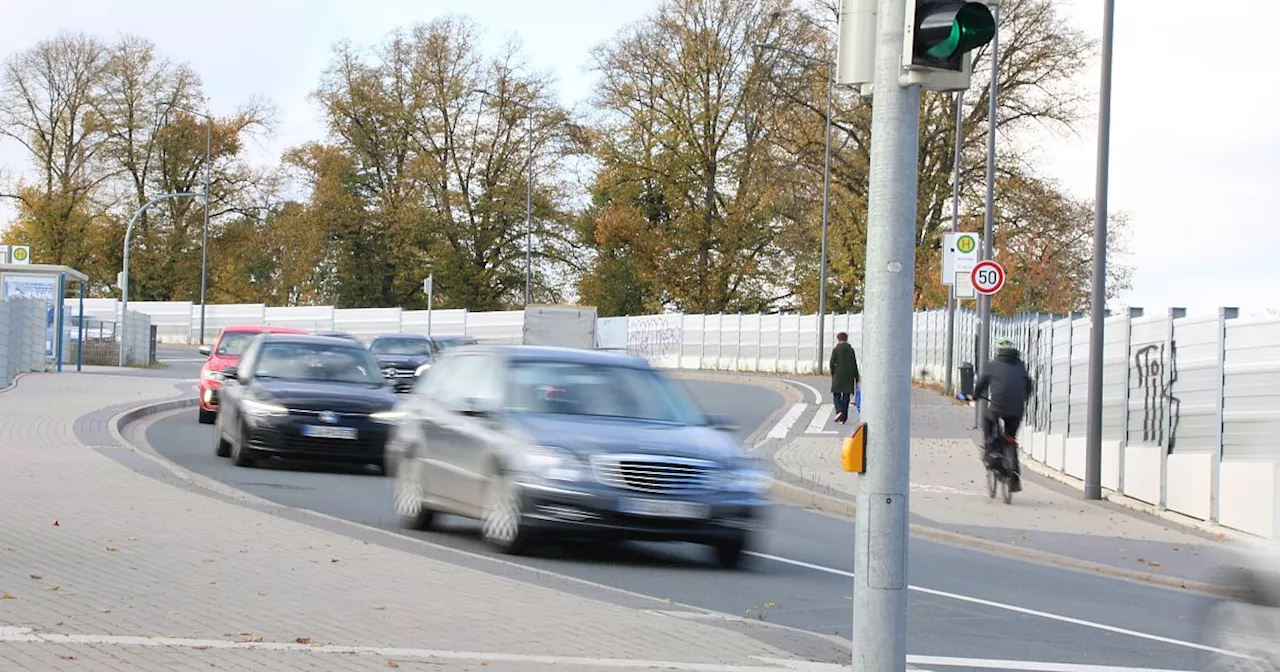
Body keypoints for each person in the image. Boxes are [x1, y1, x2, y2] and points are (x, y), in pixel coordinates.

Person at [973, 338, 1034, 492]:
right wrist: (1023, 398)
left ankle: (992, 451)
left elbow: (981, 384)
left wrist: (975, 395)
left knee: (988, 420)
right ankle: (1015, 479)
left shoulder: (992, 365)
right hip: (1017, 408)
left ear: (997, 351)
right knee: (1011, 438)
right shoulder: (1021, 365)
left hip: (997, 406)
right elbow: (1029, 385)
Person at [829, 332, 859, 424]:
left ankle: (839, 411)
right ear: (846, 339)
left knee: (836, 395)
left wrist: (833, 373)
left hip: (838, 375)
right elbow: (854, 364)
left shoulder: (836, 350)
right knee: (846, 396)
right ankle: (843, 418)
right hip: (849, 376)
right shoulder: (851, 350)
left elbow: (831, 363)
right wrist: (856, 378)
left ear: (838, 339)